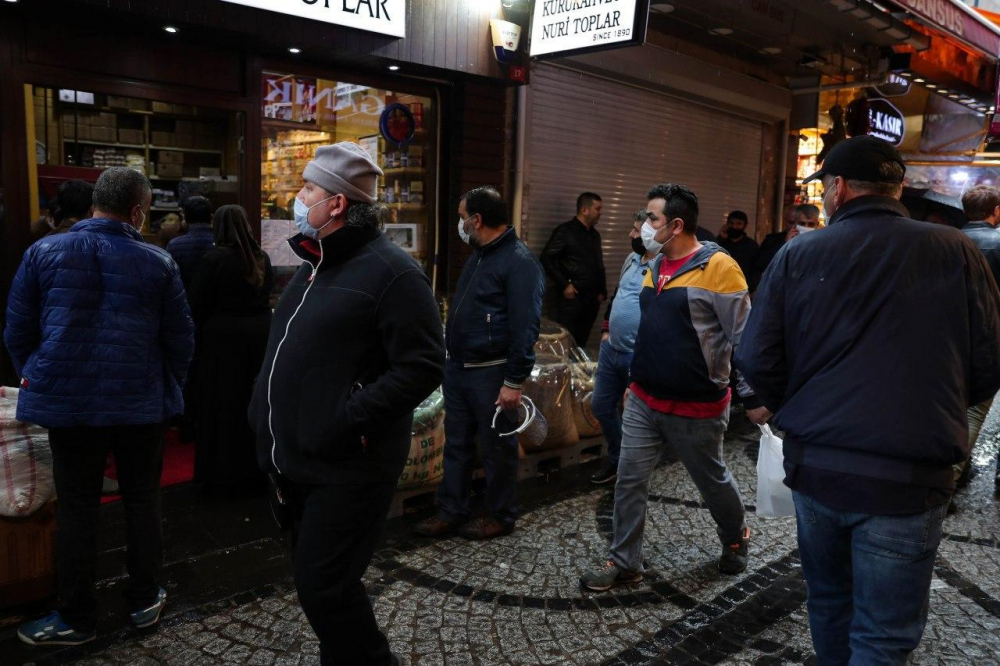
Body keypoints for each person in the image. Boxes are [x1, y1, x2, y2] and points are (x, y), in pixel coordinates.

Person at [737, 136, 1000, 664]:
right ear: (897, 187)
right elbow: (989, 362)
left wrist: (795, 407)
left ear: (837, 189)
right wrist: (937, 403)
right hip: (909, 477)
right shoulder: (955, 251)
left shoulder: (799, 251)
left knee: (830, 603)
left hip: (820, 468)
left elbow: (756, 356)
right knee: (883, 634)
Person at [248, 142, 444, 665]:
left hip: (349, 465)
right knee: (320, 586)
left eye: (307, 188)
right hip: (297, 461)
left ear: (336, 203)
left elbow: (423, 365)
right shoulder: (316, 262)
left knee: (325, 587)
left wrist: (345, 418)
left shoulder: (393, 272)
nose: (298, 196)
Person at [6, 167, 194, 646]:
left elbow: (18, 329)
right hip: (140, 403)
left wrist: (37, 374)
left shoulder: (43, 251)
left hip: (70, 402)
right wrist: (168, 385)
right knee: (142, 499)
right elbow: (180, 338)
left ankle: (75, 616)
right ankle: (144, 595)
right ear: (137, 211)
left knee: (77, 506)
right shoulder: (158, 262)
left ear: (94, 205)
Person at [580, 183, 766, 592]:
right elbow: (651, 331)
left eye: (652, 218)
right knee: (629, 479)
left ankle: (736, 537)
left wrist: (753, 396)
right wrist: (635, 381)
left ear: (676, 225)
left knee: (711, 480)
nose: (644, 225)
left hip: (697, 405)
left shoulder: (721, 268)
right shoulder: (652, 265)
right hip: (646, 399)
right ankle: (625, 560)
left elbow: (744, 338)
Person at [414, 187, 544, 540]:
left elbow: (525, 328)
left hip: (493, 374)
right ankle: (451, 510)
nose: (460, 224)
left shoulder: (519, 262)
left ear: (478, 219)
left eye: (461, 217)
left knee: (497, 450)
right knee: (455, 445)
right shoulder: (479, 255)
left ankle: (501, 515)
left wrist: (514, 381)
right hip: (459, 370)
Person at [188, 205, 273, 494]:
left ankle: (224, 473)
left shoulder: (214, 259)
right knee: (252, 403)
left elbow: (196, 304)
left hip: (223, 342)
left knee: (222, 406)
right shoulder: (262, 258)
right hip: (259, 338)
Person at [589, 211, 657, 485]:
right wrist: (606, 331)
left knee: (635, 417)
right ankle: (618, 458)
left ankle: (631, 470)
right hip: (611, 350)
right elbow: (617, 295)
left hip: (637, 356)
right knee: (601, 406)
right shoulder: (631, 259)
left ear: (651, 235)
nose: (630, 235)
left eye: (635, 230)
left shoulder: (663, 267)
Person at [958, 185, 1000, 492]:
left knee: (956, 403)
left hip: (954, 336)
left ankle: (952, 470)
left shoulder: (947, 240)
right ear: (995, 211)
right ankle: (952, 473)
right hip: (994, 335)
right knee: (975, 409)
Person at [540, 192, 607, 347]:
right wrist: (564, 285)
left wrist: (601, 291)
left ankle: (578, 371)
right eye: (597, 209)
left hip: (590, 301)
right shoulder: (565, 231)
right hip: (571, 301)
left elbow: (598, 264)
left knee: (581, 342)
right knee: (566, 342)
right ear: (584, 210)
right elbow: (546, 259)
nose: (600, 213)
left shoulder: (594, 235)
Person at [751, 204, 820, 290]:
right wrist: (785, 244)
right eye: (802, 224)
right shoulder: (772, 240)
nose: (805, 228)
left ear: (816, 225)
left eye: (810, 224)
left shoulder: (820, 243)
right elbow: (761, 264)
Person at [167, 195, 215, 290]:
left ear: (186, 218)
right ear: (211, 217)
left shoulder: (174, 245)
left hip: (184, 300)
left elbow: (169, 279)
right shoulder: (220, 243)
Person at [716, 210, 759, 281]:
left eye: (739, 224)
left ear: (745, 225)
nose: (734, 226)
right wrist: (720, 238)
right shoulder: (720, 243)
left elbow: (756, 271)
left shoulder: (752, 246)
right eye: (731, 223)